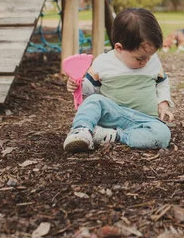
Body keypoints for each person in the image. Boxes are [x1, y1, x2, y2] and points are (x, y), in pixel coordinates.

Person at [63, 8, 175, 153]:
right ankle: (81, 131)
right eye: (140, 58)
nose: (146, 62)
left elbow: (162, 82)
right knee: (94, 100)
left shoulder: (152, 61)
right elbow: (89, 91)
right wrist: (77, 85)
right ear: (119, 48)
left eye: (150, 56)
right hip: (112, 116)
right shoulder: (103, 63)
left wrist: (163, 102)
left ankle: (109, 135)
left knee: (163, 134)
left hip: (143, 121)